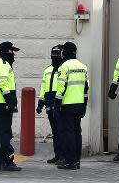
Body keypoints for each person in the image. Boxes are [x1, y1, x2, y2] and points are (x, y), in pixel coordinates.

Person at [53, 41, 89, 170]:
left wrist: (57, 106)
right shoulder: (83, 66)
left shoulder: (64, 67)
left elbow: (60, 88)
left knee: (68, 134)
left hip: (67, 105)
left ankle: (70, 161)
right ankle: (77, 161)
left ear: (65, 52)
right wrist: (85, 105)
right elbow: (86, 88)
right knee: (77, 132)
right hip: (79, 104)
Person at [0, 41, 21, 172]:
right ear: (6, 52)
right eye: (12, 51)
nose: (13, 54)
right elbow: (3, 83)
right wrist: (10, 101)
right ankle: (6, 162)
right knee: (5, 133)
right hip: (4, 103)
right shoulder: (3, 63)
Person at [36, 44, 63, 164]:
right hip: (49, 104)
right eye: (53, 54)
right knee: (55, 132)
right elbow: (43, 88)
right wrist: (40, 103)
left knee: (61, 131)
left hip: (60, 105)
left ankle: (63, 156)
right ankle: (57, 155)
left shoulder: (64, 69)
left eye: (57, 54)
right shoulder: (47, 70)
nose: (55, 56)